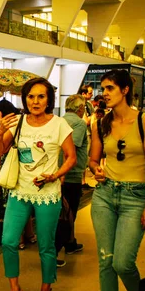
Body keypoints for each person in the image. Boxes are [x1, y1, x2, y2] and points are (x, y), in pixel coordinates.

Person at [0, 78, 76, 291]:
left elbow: (71, 157)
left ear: (49, 99)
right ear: (25, 99)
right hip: (20, 191)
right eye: (31, 96)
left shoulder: (60, 124)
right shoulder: (17, 122)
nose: (35, 101)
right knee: (8, 241)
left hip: (48, 194)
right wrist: (0, 133)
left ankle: (46, 290)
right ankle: (14, 290)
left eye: (41, 96)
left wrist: (56, 175)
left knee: (46, 246)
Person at [89, 69, 145, 291]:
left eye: (109, 88)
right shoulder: (101, 123)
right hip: (105, 195)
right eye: (103, 89)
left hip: (135, 196)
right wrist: (96, 169)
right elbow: (94, 160)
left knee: (123, 261)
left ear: (125, 90)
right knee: (106, 260)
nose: (104, 93)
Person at [58, 95, 88, 261]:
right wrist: (63, 172)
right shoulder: (79, 123)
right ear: (80, 109)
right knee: (69, 212)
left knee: (64, 210)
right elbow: (70, 151)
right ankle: (61, 244)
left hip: (58, 173)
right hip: (71, 174)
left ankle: (70, 241)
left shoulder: (59, 120)